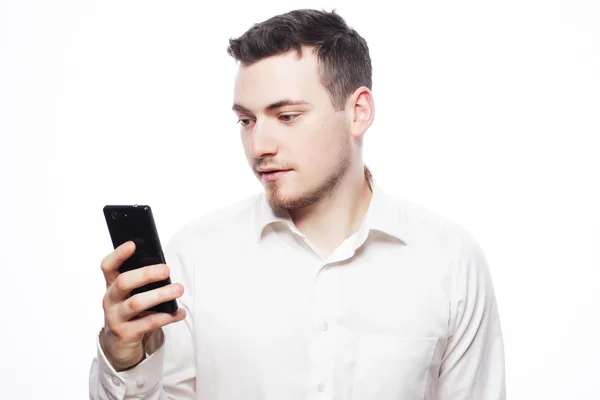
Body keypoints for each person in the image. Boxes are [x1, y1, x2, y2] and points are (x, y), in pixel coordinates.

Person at [89, 8, 506, 400]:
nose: (259, 146)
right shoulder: (196, 254)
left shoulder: (449, 260)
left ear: (358, 112)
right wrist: (123, 357)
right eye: (246, 120)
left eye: (287, 116)